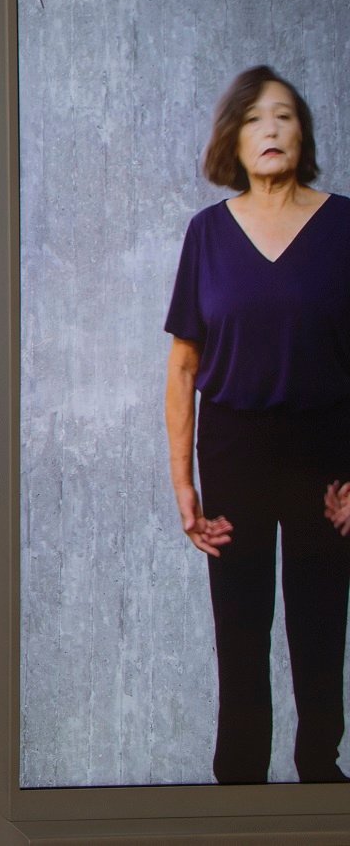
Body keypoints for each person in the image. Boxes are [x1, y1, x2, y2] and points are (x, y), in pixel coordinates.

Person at [165, 66, 350, 784]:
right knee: (239, 629)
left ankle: (320, 775)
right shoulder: (207, 234)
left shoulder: (344, 225)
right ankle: (237, 785)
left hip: (327, 447)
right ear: (232, 142)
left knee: (319, 624)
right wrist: (182, 480)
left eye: (283, 116)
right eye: (253, 120)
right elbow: (183, 367)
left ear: (302, 134)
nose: (269, 130)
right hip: (233, 447)